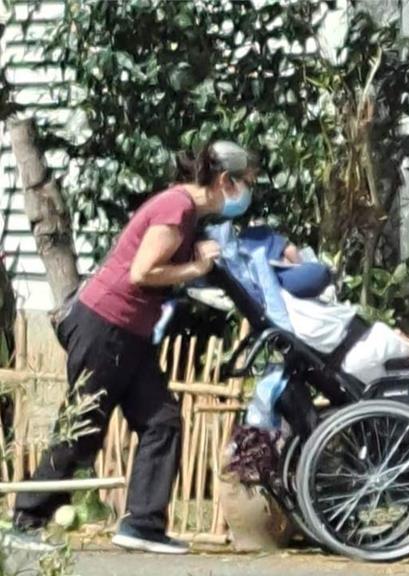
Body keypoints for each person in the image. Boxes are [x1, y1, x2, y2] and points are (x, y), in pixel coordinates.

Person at [6, 140, 259, 555]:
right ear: (224, 180)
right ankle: (26, 519)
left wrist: (196, 265)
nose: (247, 192)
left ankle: (143, 524)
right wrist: (195, 267)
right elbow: (143, 272)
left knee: (162, 422)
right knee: (82, 427)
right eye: (245, 182)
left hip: (130, 332)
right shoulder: (176, 208)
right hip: (107, 325)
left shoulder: (186, 212)